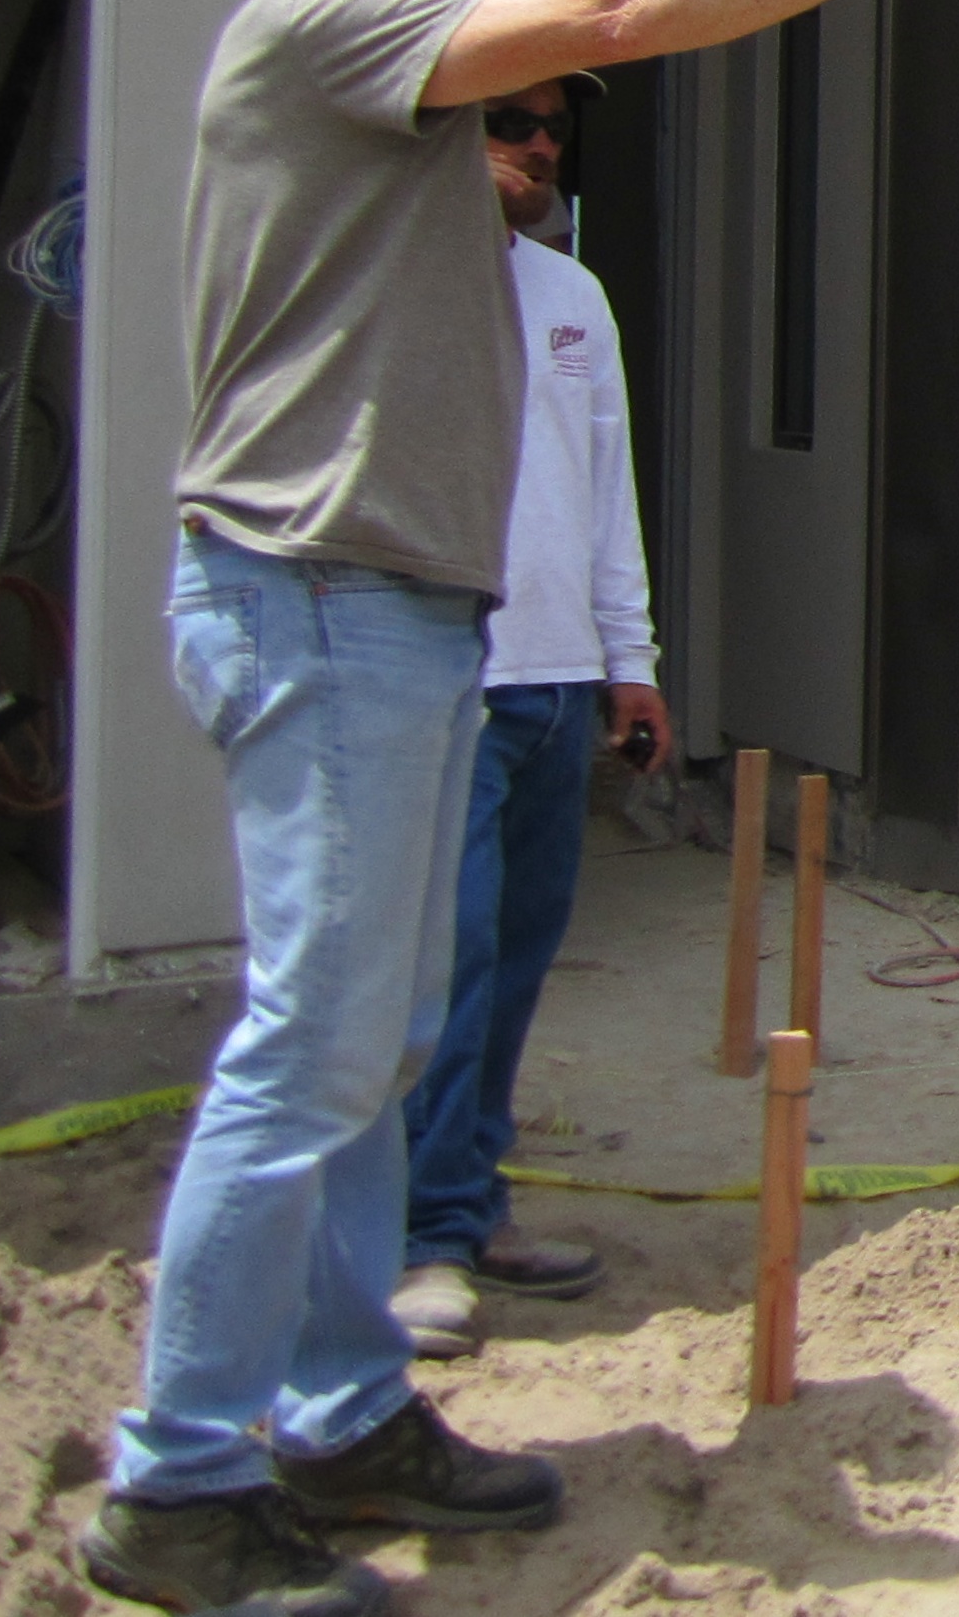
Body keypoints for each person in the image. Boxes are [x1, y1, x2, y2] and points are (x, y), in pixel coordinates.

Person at [83, 0, 959, 1617]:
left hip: (381, 610)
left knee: (373, 1042)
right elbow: (617, 13)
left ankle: (342, 1404)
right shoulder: (332, 22)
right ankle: (181, 1482)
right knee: (312, 1047)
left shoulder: (396, 85)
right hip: (323, 602)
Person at [384, 75, 669, 1358]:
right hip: (451, 670)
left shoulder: (574, 299)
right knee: (445, 959)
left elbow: (605, 490)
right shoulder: (392, 282)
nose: (539, 144)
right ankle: (418, 1240)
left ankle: (467, 1198)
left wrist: (631, 659)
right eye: (510, 121)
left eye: (553, 128)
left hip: (556, 682)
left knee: (515, 956)